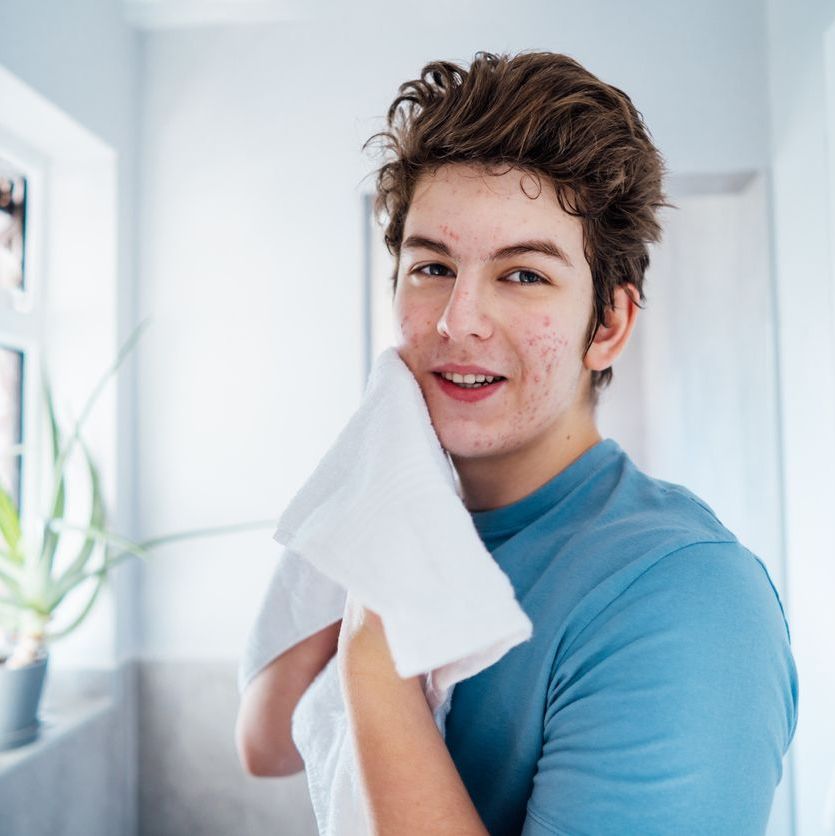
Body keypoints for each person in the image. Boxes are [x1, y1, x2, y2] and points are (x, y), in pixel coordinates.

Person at [237, 50, 798, 835]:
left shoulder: (686, 599)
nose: (456, 319)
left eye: (523, 275)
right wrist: (371, 501)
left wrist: (374, 639)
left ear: (607, 324)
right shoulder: (403, 501)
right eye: (431, 265)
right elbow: (267, 743)